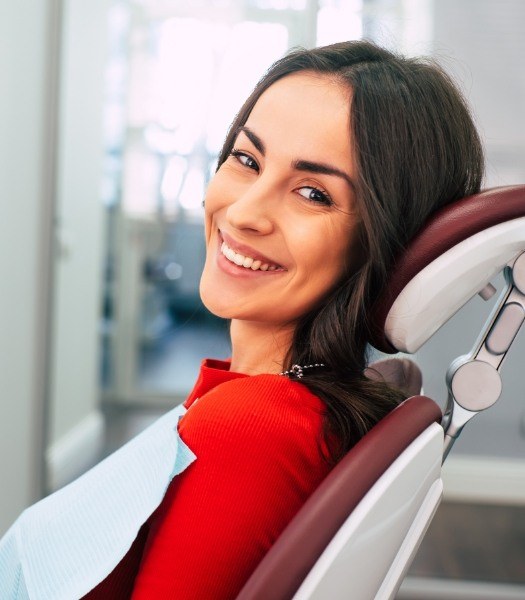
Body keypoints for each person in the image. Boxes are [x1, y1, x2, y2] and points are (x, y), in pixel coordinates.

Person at [0, 40, 484, 598]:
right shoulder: (271, 402)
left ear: (384, 241)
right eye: (247, 160)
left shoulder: (252, 428)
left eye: (313, 193)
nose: (246, 212)